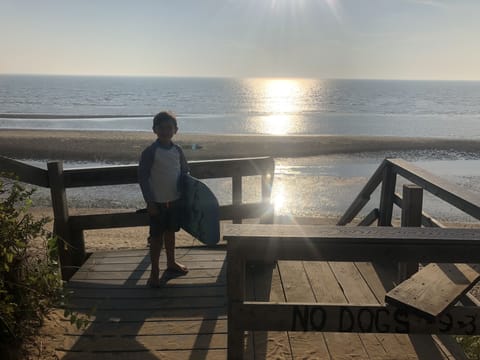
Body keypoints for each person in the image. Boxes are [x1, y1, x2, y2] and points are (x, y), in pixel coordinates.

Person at [138, 111, 189, 287]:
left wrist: (186, 195)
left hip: (174, 201)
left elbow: (184, 172)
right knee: (156, 238)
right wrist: (150, 202)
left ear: (176, 130)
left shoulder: (177, 150)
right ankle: (154, 271)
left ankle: (171, 262)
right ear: (154, 130)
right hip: (157, 203)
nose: (166, 131)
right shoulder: (151, 152)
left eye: (169, 128)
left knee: (171, 233)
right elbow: (143, 178)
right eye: (161, 128)